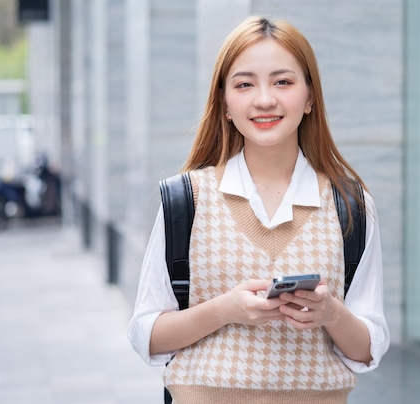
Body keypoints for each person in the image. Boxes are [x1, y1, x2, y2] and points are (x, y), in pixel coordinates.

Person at [127, 15, 390, 404]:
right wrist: (224, 310)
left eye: (283, 82)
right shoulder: (188, 200)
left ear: (310, 97)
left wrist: (330, 313)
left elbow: (368, 349)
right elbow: (146, 335)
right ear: (225, 104)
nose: (265, 99)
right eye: (245, 84)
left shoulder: (349, 205)